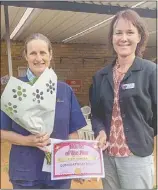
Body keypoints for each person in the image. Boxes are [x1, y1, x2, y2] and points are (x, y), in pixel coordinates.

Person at [1, 33, 87, 189]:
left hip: (59, 173)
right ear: (26, 56)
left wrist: (75, 163)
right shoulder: (14, 89)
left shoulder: (64, 90)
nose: (38, 58)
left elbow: (72, 131)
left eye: (43, 53)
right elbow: (2, 131)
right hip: (25, 172)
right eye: (33, 53)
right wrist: (27, 141)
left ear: (50, 54)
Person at [90, 9, 157, 189]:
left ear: (139, 37)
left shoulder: (150, 72)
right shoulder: (100, 77)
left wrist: (144, 136)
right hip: (107, 156)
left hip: (136, 157)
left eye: (130, 32)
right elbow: (95, 115)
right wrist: (101, 131)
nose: (123, 38)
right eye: (118, 32)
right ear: (112, 38)